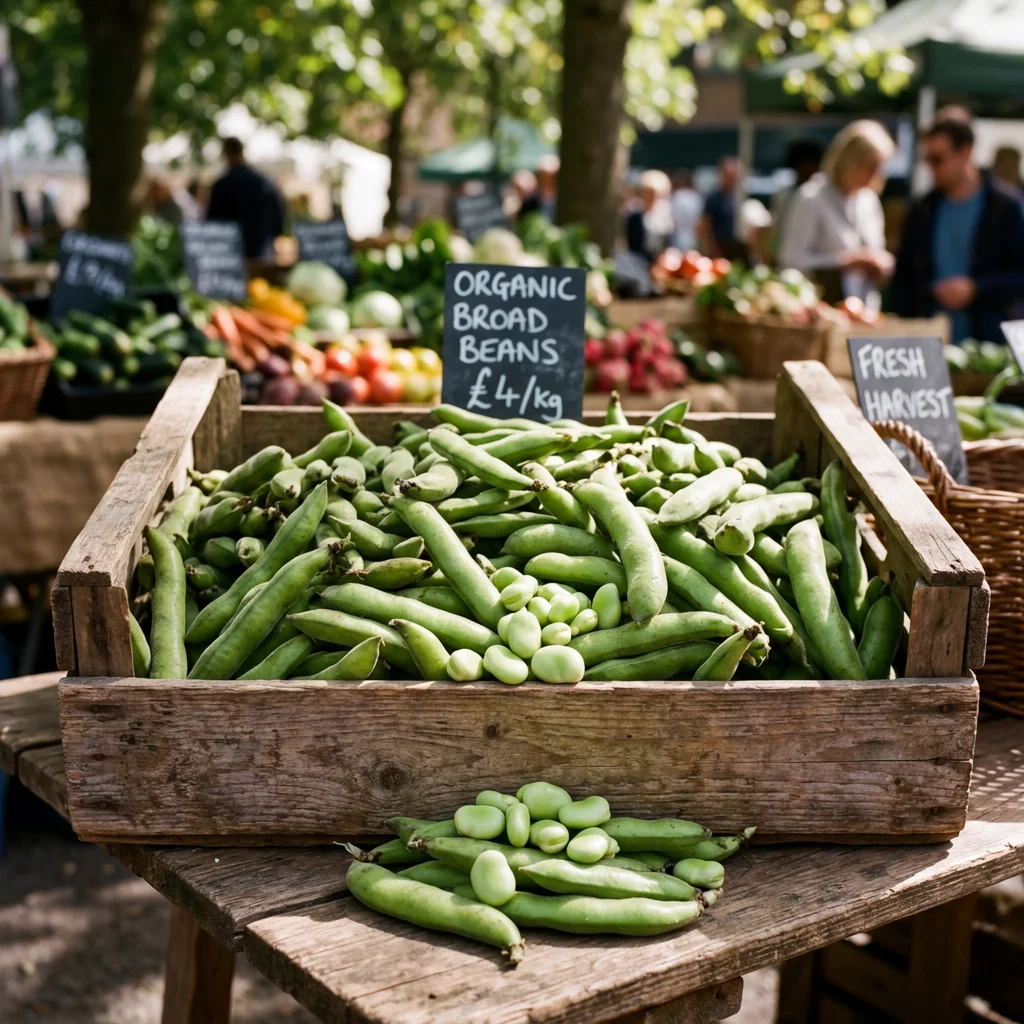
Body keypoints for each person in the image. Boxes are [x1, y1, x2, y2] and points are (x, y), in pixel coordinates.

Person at [892, 116, 1024, 342]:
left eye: (937, 159)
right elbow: (904, 277)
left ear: (966, 152)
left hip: (988, 347)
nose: (930, 167)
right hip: (928, 342)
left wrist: (976, 289)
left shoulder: (1006, 207)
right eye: (927, 159)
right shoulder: (922, 209)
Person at [779, 120, 895, 309]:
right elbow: (790, 262)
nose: (875, 175)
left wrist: (882, 264)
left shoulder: (869, 201)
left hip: (864, 313)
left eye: (879, 168)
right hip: (822, 311)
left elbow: (877, 251)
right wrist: (843, 262)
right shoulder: (812, 198)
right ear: (850, 161)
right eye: (869, 166)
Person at [206, 137, 286, 259]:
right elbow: (278, 216)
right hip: (261, 249)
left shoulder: (221, 186)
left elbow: (213, 222)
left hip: (230, 251)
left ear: (226, 154)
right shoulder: (262, 182)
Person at [771, 139, 824, 256]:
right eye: (801, 165)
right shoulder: (783, 195)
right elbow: (778, 230)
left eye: (810, 164)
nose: (806, 169)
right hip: (788, 258)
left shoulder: (824, 195)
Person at [624, 170, 674, 263]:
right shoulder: (634, 217)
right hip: (638, 262)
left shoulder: (666, 217)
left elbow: (668, 242)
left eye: (654, 193)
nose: (652, 197)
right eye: (648, 193)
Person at [700, 157, 743, 259]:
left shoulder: (736, 196)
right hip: (718, 247)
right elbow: (705, 226)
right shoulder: (713, 197)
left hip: (734, 247)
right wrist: (713, 250)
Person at [669, 170, 702, 252]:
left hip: (678, 239)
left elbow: (673, 220)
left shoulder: (676, 196)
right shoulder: (696, 197)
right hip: (692, 239)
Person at [519, 155, 558, 222]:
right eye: (543, 176)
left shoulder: (566, 200)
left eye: (549, 177)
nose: (546, 181)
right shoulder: (529, 201)